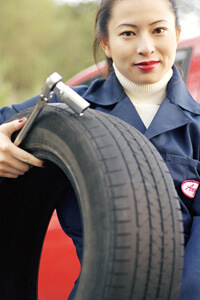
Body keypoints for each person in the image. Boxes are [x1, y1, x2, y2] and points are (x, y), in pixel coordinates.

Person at [0, 0, 200, 299]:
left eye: (158, 30)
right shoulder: (66, 110)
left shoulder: (196, 125)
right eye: (128, 34)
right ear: (106, 43)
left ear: (176, 33)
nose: (146, 47)